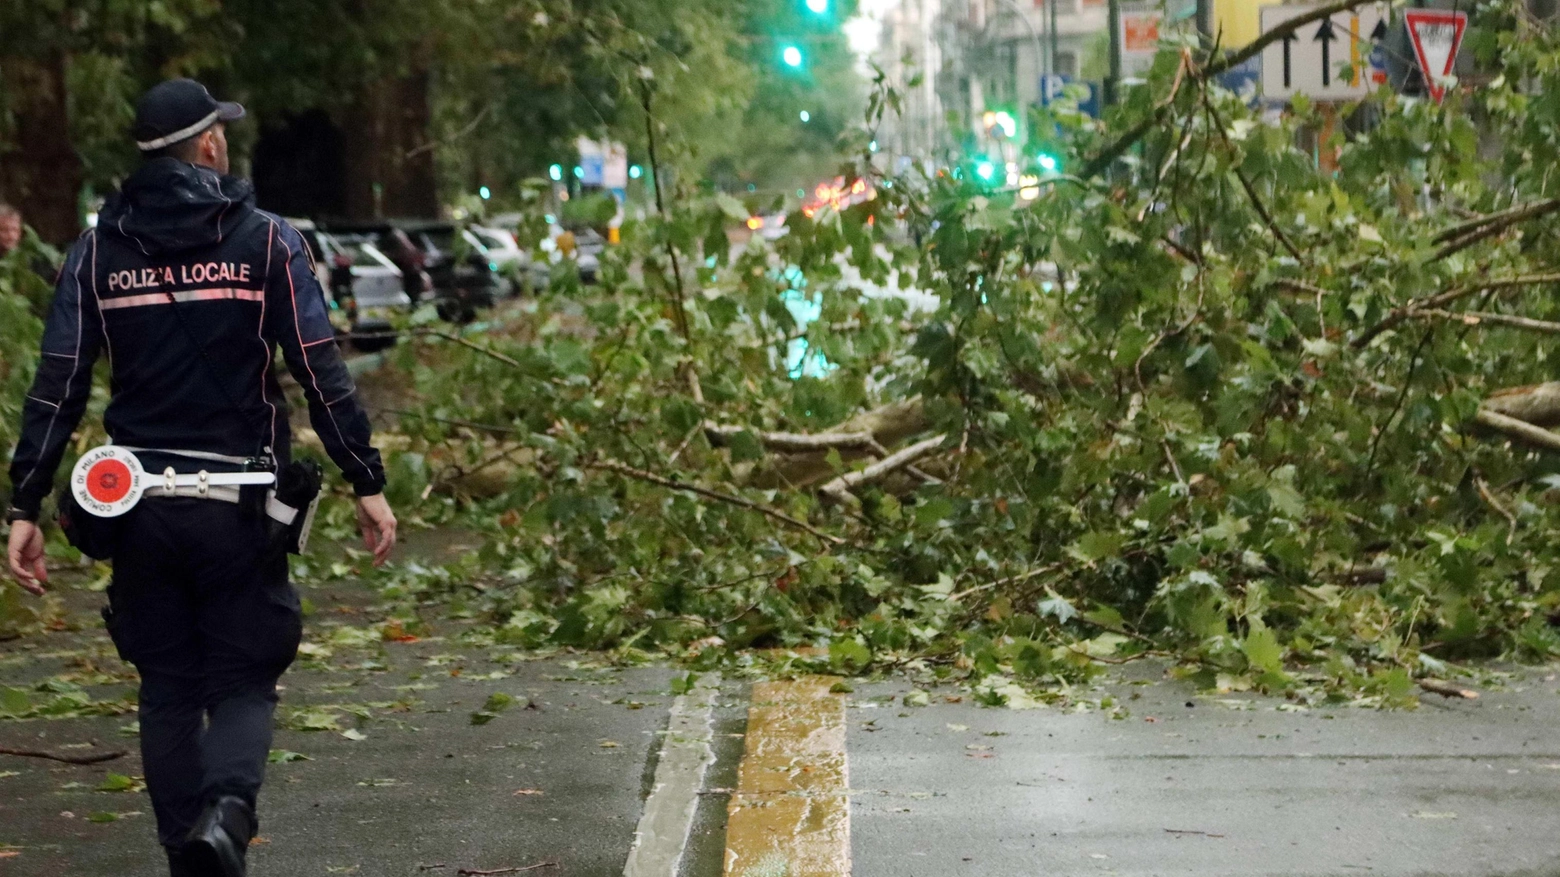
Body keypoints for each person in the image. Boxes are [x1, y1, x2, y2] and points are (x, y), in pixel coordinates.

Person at [3, 79, 398, 877]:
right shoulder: (268, 241)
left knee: (168, 686)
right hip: (239, 509)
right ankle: (226, 815)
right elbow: (321, 372)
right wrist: (366, 479)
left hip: (138, 508)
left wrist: (25, 503)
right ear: (211, 146)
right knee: (246, 677)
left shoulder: (95, 253)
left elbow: (59, 383)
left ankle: (187, 854)